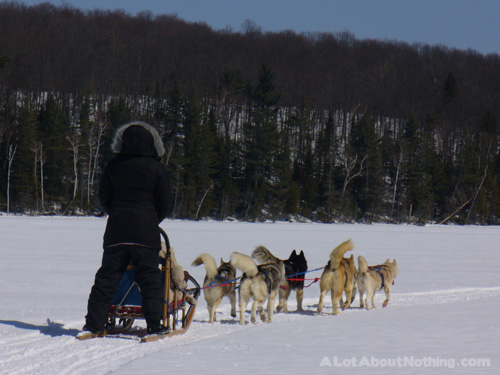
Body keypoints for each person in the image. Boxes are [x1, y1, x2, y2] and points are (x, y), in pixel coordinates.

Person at [82, 121, 172, 335]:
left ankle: (93, 325)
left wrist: (117, 214)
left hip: (116, 232)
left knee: (106, 279)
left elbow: (104, 196)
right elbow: (166, 202)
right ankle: (154, 326)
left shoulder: (114, 165)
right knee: (150, 280)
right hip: (145, 232)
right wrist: (151, 220)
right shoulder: (157, 167)